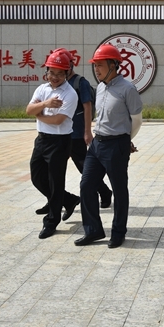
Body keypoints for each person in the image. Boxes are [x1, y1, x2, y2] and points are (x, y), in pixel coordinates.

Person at [74, 44, 143, 249]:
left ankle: (118, 232)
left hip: (116, 145)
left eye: (100, 65)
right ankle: (93, 230)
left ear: (113, 65)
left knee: (119, 190)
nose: (96, 69)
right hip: (97, 144)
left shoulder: (127, 89)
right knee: (86, 185)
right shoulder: (101, 87)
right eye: (95, 65)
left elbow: (137, 120)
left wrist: (126, 139)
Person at [26, 49, 80, 239]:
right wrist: (45, 104)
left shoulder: (70, 94)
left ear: (67, 73)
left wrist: (39, 115)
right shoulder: (42, 89)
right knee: (37, 177)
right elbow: (29, 109)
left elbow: (58, 120)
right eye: (52, 72)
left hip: (59, 142)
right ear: (46, 71)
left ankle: (51, 221)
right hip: (42, 139)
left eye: (60, 73)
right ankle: (69, 200)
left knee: (56, 183)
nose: (55, 77)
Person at [61, 48, 113, 209]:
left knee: (84, 168)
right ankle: (55, 200)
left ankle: (105, 192)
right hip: (61, 134)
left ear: (70, 65)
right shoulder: (60, 82)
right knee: (54, 169)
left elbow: (87, 106)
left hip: (76, 134)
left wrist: (87, 131)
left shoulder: (80, 82)